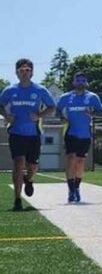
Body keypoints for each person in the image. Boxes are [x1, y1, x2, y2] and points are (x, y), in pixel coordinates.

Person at [0, 59, 56, 211]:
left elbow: (52, 106)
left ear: (32, 72)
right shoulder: (10, 90)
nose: (24, 73)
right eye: (21, 70)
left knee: (33, 166)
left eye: (27, 70)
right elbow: (0, 105)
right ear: (16, 72)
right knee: (18, 164)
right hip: (16, 132)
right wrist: (7, 116)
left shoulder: (40, 90)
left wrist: (39, 115)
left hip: (33, 134)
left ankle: (29, 179)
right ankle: (17, 200)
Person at [56, 72, 102, 203]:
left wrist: (92, 113)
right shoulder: (66, 97)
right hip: (71, 132)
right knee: (71, 158)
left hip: (85, 133)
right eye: (78, 80)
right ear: (74, 82)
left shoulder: (92, 97)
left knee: (80, 161)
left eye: (83, 80)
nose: (80, 83)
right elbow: (58, 110)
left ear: (86, 82)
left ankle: (77, 187)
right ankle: (71, 190)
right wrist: (62, 118)